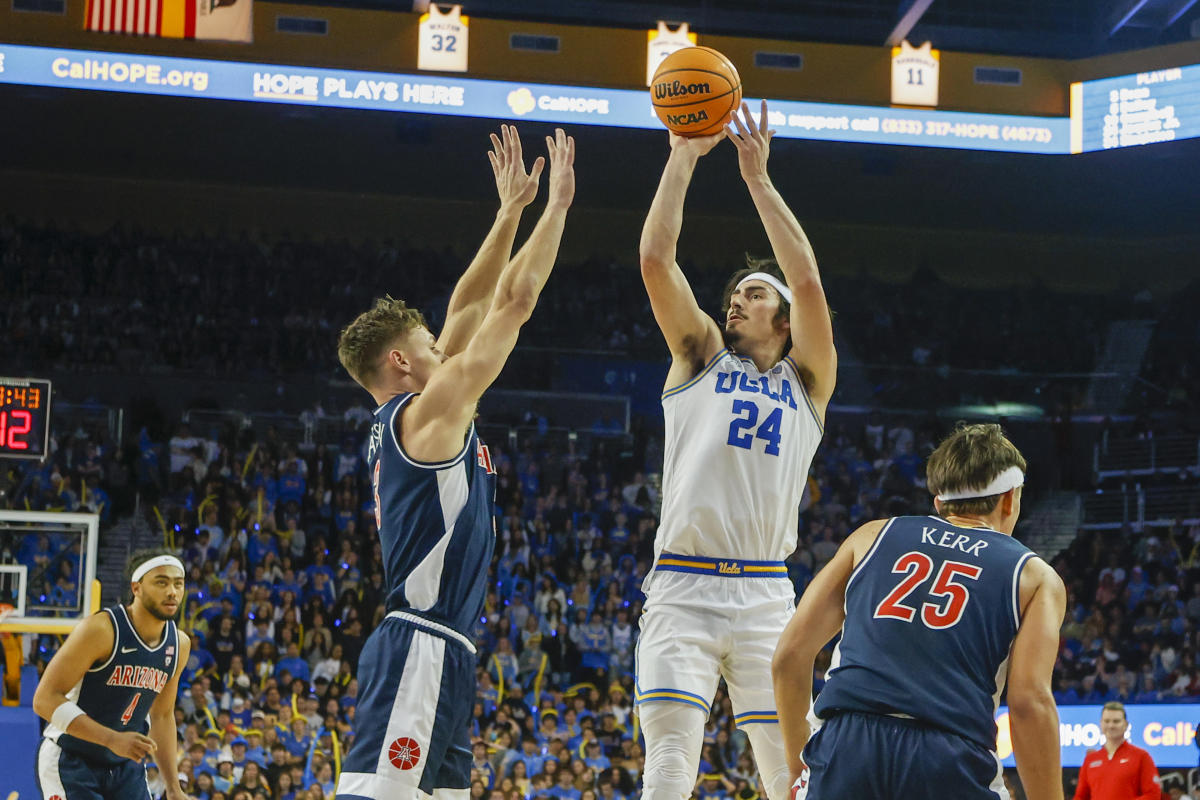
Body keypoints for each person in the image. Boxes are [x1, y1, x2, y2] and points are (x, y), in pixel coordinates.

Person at [332, 124, 575, 799]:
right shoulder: (427, 416)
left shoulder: (411, 419)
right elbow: (513, 302)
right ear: (401, 361)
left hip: (445, 649)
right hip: (420, 641)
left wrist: (509, 212)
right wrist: (555, 209)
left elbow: (469, 302)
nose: (445, 342)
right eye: (430, 342)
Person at [634, 99, 835, 800]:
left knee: (795, 775)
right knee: (668, 769)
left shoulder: (808, 381)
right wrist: (683, 156)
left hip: (762, 593)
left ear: (782, 320)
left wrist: (758, 180)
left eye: (752, 295)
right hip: (682, 588)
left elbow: (807, 281)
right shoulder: (699, 360)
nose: (735, 302)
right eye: (734, 295)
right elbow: (656, 260)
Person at [773, 423, 1065, 800]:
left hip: (847, 747)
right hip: (948, 758)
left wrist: (801, 765)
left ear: (939, 502)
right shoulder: (1034, 576)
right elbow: (1028, 703)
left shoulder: (871, 536)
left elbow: (789, 657)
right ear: (1010, 499)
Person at [34, 549, 192, 800]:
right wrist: (111, 739)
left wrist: (173, 788)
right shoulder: (102, 630)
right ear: (136, 587)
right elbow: (44, 700)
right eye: (161, 582)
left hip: (125, 767)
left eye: (178, 583)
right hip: (71, 759)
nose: (172, 591)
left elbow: (162, 715)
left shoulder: (179, 644)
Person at [1073, 702, 1160, 800]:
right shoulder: (1090, 760)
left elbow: (1153, 795)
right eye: (1107, 721)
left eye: (1116, 721)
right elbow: (1080, 797)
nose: (1111, 726)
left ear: (1126, 725)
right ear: (1100, 724)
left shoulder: (1141, 757)